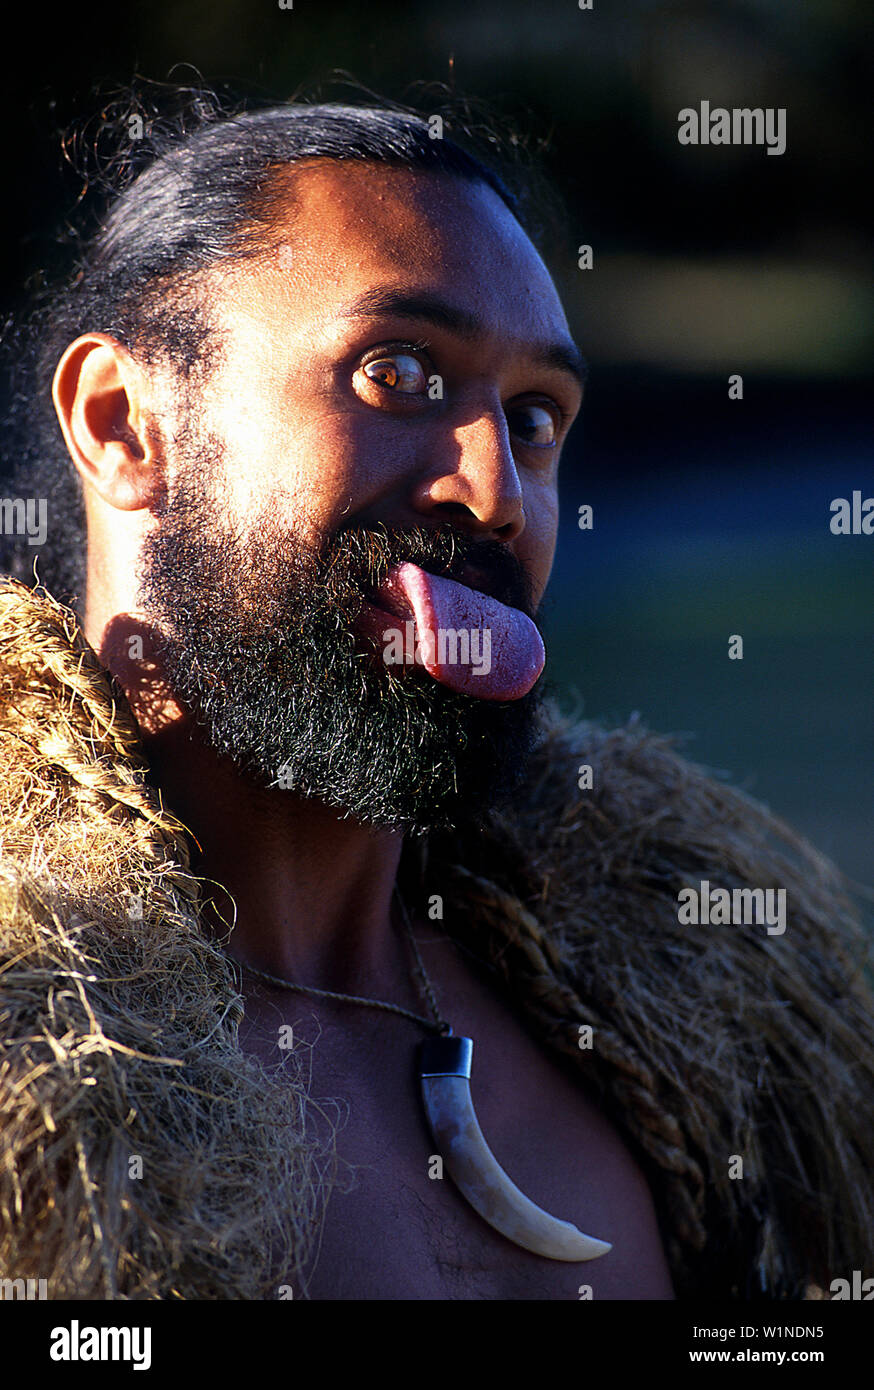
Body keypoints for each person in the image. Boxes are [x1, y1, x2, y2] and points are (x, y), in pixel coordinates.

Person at [0, 90, 871, 1302]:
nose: (495, 488)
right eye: (397, 371)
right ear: (122, 424)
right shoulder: (29, 1053)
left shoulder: (698, 1000)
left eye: (534, 416)